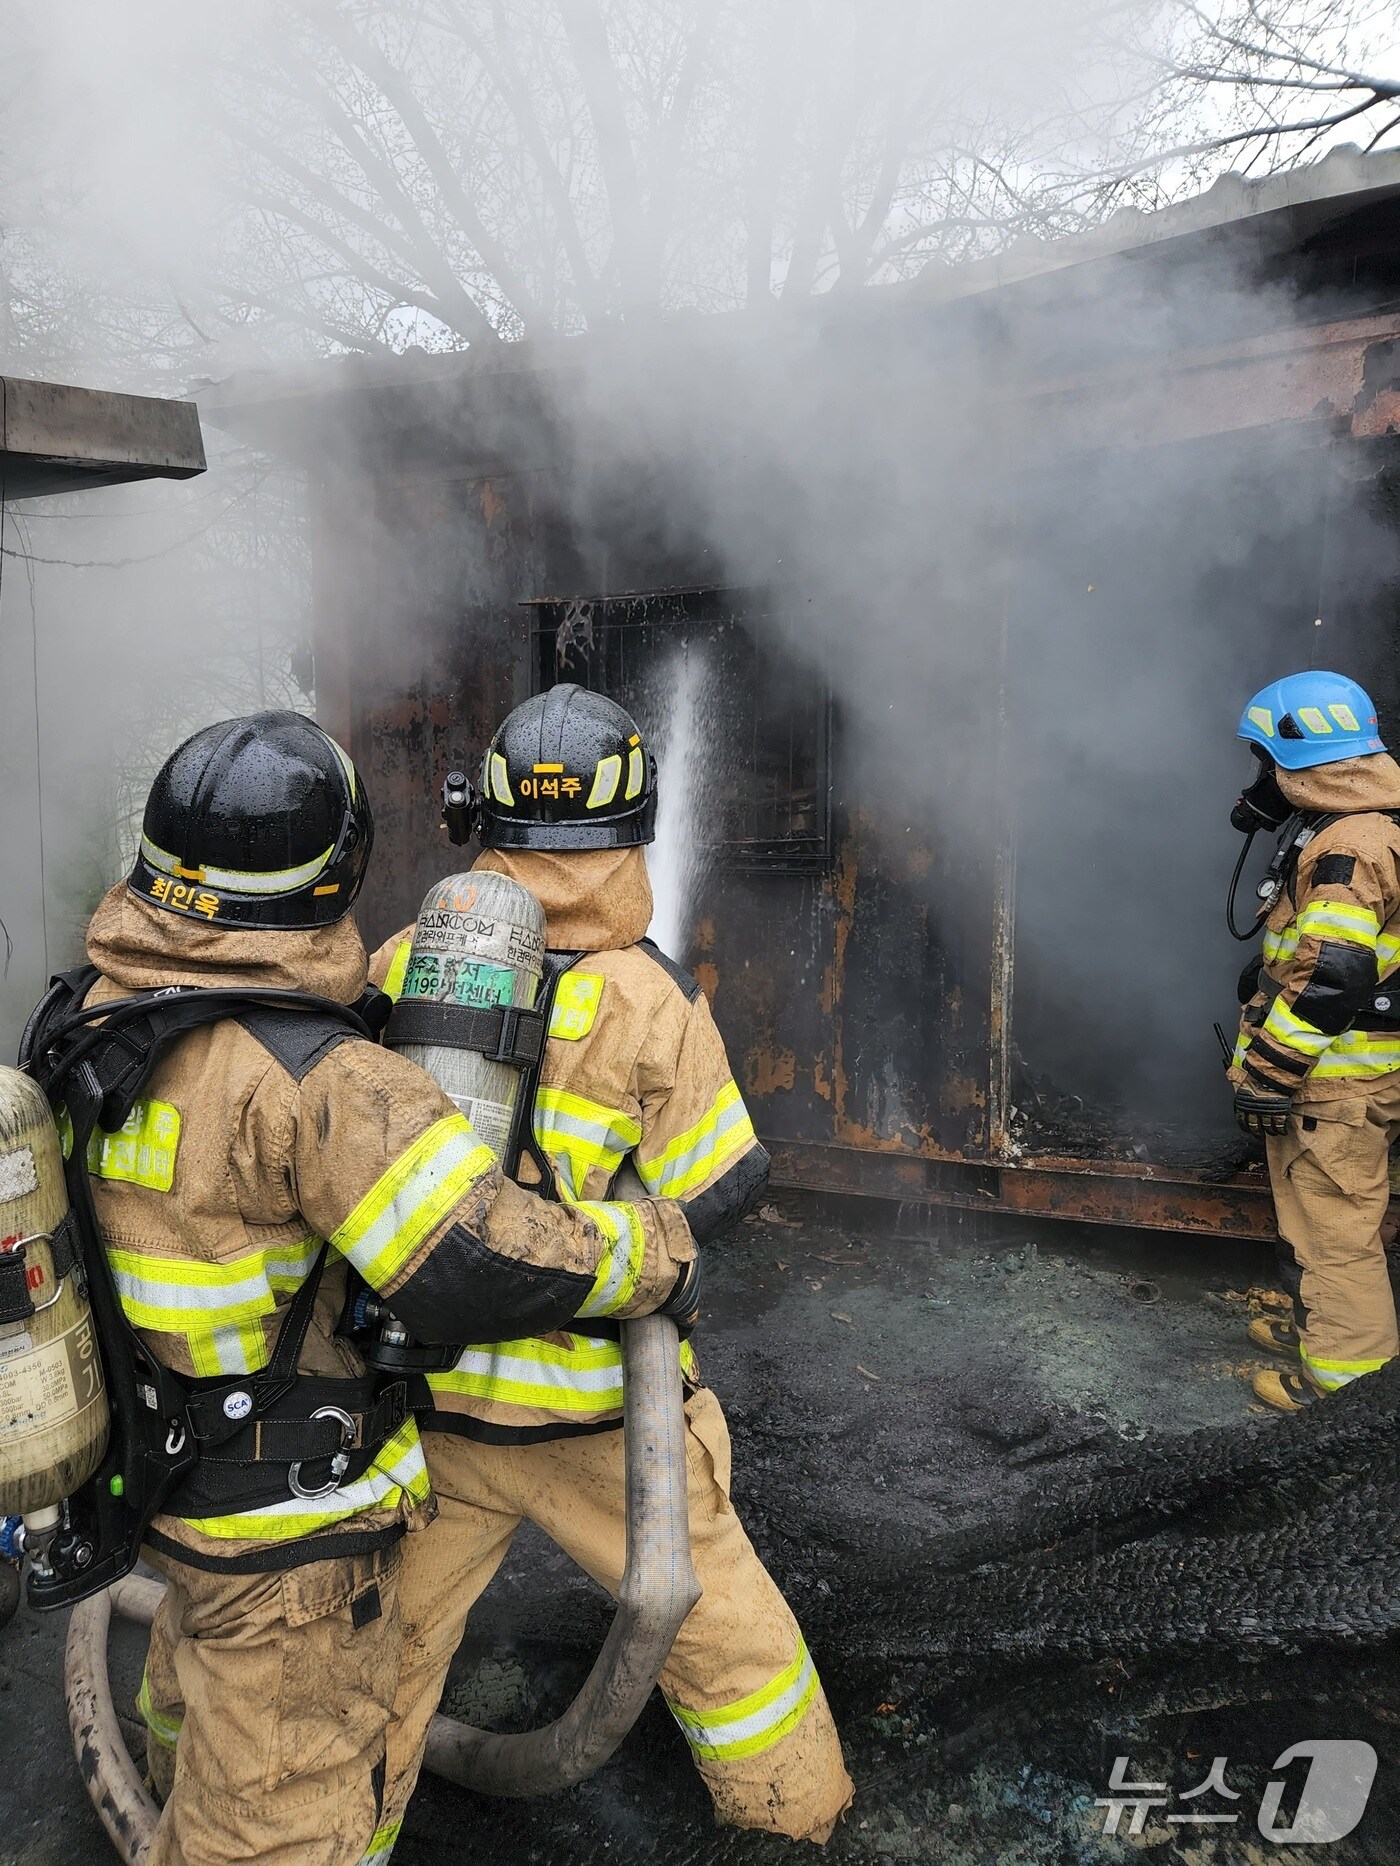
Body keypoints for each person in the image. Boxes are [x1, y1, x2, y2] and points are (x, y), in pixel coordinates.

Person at [56, 710, 695, 1866]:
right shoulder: (322, 1081)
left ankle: (167, 1794)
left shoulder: (90, 1017)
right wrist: (649, 1250)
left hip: (153, 1485)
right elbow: (474, 1258)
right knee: (284, 1818)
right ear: (340, 870)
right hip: (289, 1527)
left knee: (189, 1691)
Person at [370, 685, 854, 1852]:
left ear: (477, 820)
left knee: (371, 1661)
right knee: (724, 1637)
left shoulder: (397, 967)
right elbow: (721, 1188)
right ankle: (793, 1813)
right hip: (596, 1418)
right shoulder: (651, 999)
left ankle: (334, 1835)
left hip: (421, 1409)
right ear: (631, 832)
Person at [1228, 671, 1400, 1411]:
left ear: (1296, 759)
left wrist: (1268, 1072)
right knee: (1315, 1214)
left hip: (1337, 1081)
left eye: (1265, 761)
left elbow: (1332, 976)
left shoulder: (1349, 847)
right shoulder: (1362, 824)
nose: (1259, 779)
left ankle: (1342, 1393)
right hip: (1339, 1078)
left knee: (1337, 1231)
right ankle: (1316, 1326)